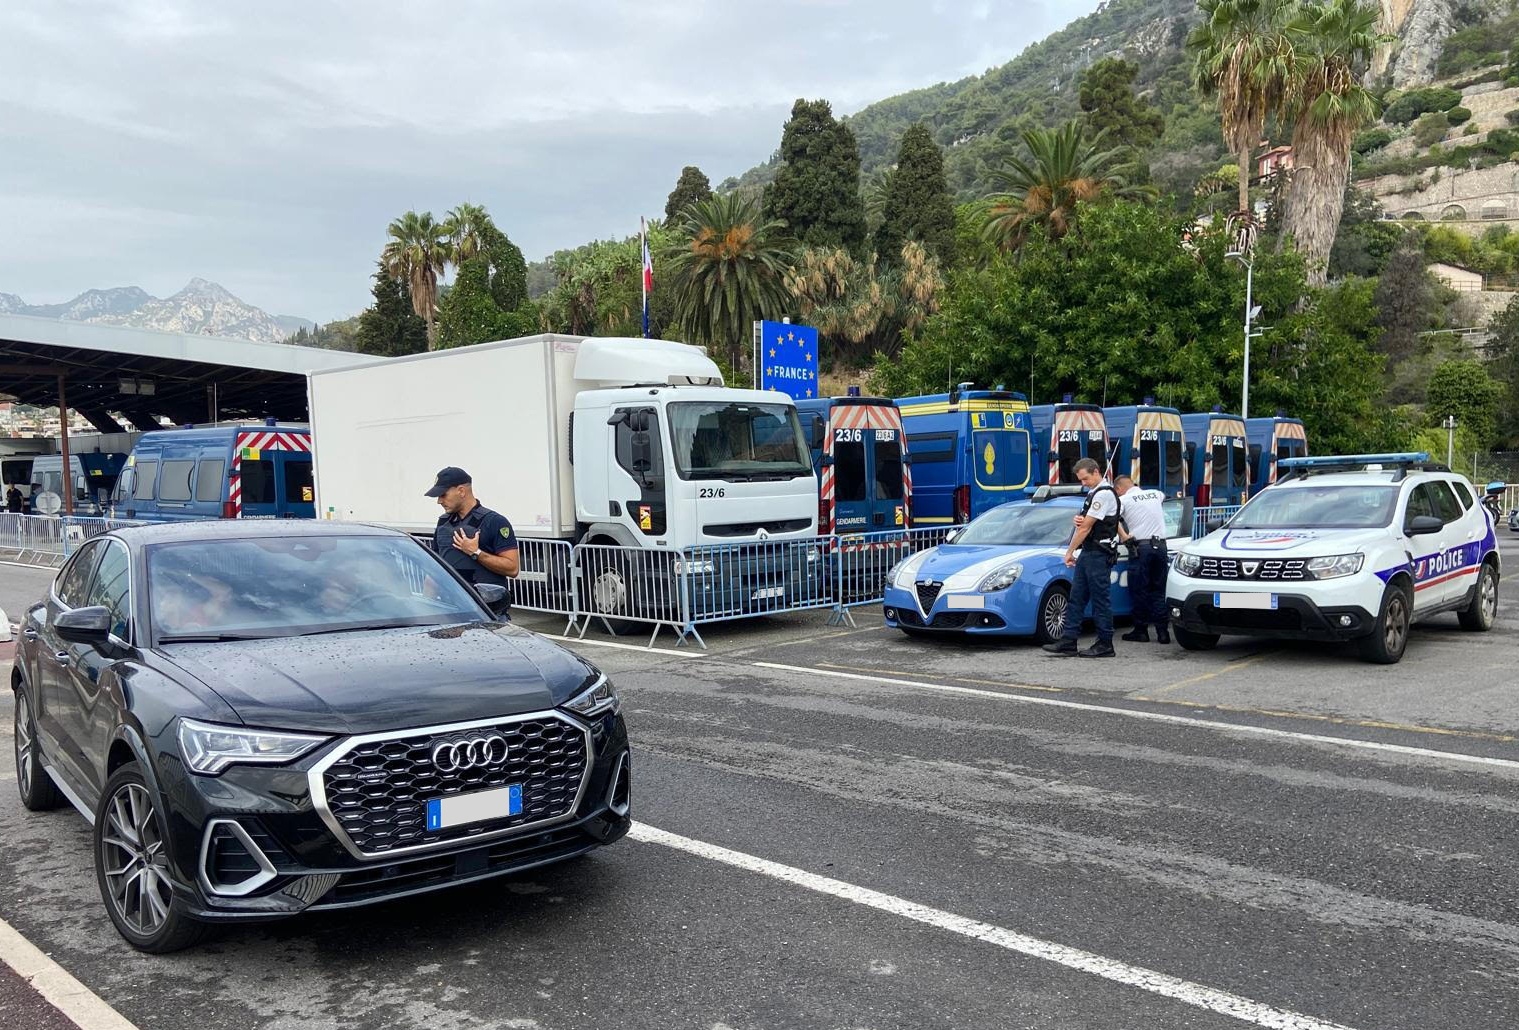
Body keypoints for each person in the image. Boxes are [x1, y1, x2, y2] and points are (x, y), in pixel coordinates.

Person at [1043, 458, 1121, 658]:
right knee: (1076, 598)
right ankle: (1069, 640)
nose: (1083, 483)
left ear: (1096, 472)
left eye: (1085, 478)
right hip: (1089, 553)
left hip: (1098, 554)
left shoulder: (1103, 494)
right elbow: (1086, 522)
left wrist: (1069, 551)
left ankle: (1105, 643)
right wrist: (1079, 519)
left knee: (1100, 600)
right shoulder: (1094, 493)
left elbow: (1086, 527)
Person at [426, 466, 520, 619]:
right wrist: (428, 609)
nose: (439, 501)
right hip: (450, 613)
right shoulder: (443, 523)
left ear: (461, 491)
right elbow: (434, 572)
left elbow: (513, 568)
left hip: (487, 614)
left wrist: (476, 553)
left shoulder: (494, 522)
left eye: (443, 495)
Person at [1114, 475, 1170, 644]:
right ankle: (1163, 633)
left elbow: (1112, 518)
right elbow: (1160, 501)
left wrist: (1123, 536)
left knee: (1140, 590)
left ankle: (1141, 631)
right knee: (1159, 590)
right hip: (1161, 547)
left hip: (1140, 549)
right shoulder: (1156, 494)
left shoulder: (1123, 500)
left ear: (1118, 489)